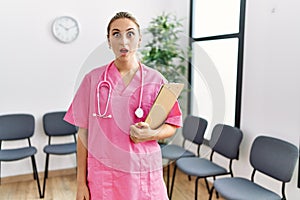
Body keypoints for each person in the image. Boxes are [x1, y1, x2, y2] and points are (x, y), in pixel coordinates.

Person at [64, 11, 182, 200]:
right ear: (109, 41)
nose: (123, 41)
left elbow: (173, 124)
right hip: (105, 175)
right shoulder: (92, 80)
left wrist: (153, 134)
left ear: (139, 39)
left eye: (130, 33)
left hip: (143, 174)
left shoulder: (157, 80)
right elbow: (83, 133)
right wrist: (80, 182)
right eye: (116, 34)